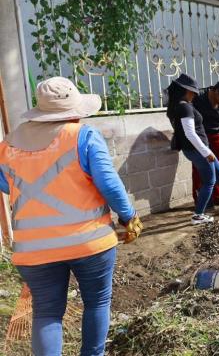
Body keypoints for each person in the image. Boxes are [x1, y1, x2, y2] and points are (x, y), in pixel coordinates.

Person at [0, 77, 143, 356]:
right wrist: (129, 216)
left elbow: (6, 184)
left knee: (47, 313)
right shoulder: (83, 135)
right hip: (89, 242)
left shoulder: (9, 145)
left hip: (34, 250)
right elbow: (110, 184)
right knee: (97, 302)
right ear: (74, 110)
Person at [166, 74, 219, 225]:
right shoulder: (186, 107)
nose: (195, 94)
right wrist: (206, 152)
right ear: (186, 91)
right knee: (209, 181)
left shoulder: (182, 105)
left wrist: (207, 150)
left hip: (199, 148)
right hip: (197, 149)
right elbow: (190, 133)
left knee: (217, 169)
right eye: (192, 91)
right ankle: (198, 215)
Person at [191, 80, 219, 206]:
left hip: (218, 137)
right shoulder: (198, 97)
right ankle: (201, 200)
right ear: (215, 91)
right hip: (200, 138)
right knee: (199, 169)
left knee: (218, 169)